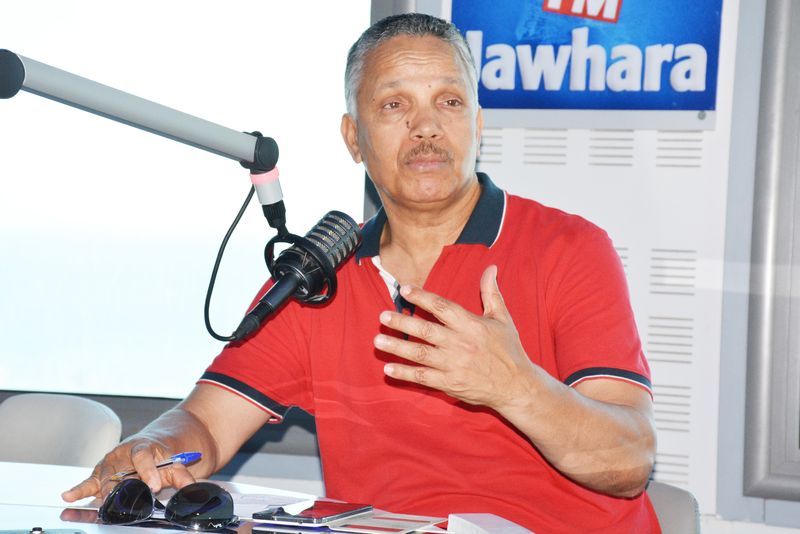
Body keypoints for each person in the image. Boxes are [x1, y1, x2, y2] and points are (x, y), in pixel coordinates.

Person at [63, 13, 658, 533]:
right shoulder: (316, 278)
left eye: (449, 102)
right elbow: (204, 422)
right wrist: (156, 445)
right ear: (354, 138)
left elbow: (629, 463)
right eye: (395, 105)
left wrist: (515, 387)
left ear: (478, 125)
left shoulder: (570, 249)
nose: (426, 127)